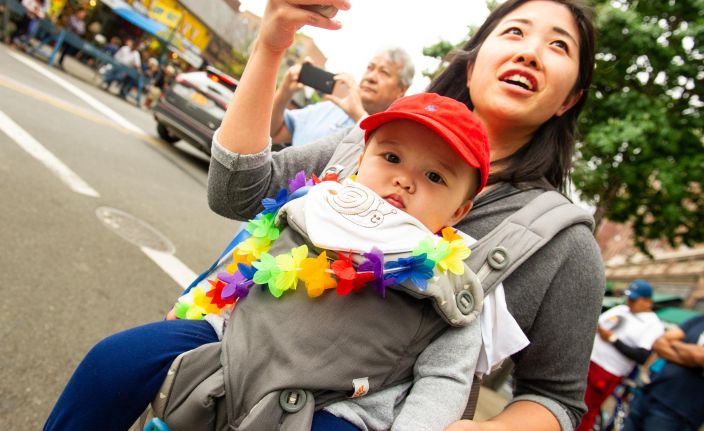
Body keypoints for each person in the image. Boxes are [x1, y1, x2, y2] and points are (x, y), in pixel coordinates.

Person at [207, 1, 604, 430]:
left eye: (558, 46)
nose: (530, 52)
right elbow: (235, 192)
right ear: (472, 66)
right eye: (515, 32)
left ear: (570, 99)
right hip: (215, 389)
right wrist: (270, 45)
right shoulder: (363, 146)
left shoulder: (565, 243)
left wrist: (490, 429)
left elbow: (556, 399)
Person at [44, 93, 512, 430]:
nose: (405, 181)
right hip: (233, 345)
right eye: (391, 157)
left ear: (459, 211)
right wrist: (203, 304)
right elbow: (247, 261)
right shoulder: (313, 206)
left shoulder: (453, 283)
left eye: (434, 177)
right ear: (359, 161)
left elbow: (444, 381)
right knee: (114, 360)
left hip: (335, 406)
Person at [270, 48, 413, 147]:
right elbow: (273, 133)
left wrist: (359, 116)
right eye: (370, 68)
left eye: (384, 72)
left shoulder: (398, 134)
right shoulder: (329, 108)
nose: (371, 77)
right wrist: (284, 93)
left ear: (402, 89)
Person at [575, 280, 665, 431]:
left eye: (634, 299)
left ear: (647, 301)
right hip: (586, 360)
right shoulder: (622, 309)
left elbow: (642, 356)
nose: (630, 302)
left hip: (607, 371)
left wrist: (612, 339)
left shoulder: (653, 324)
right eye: (629, 298)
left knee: (584, 411)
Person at [623, 314, 704, 431]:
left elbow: (700, 357)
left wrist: (675, 344)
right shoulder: (699, 320)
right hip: (649, 394)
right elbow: (658, 343)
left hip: (679, 411)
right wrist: (689, 357)